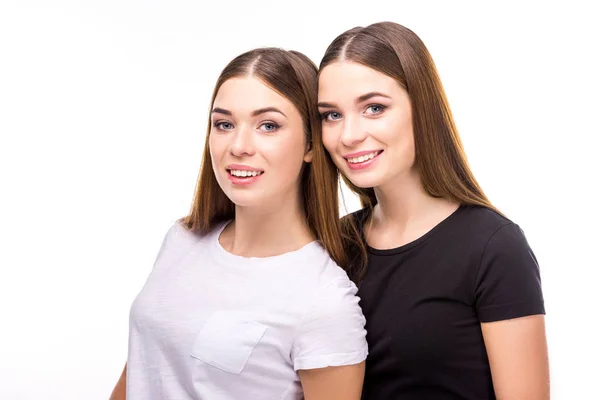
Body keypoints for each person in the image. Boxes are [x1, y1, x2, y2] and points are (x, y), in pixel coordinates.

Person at [109, 47, 368, 400]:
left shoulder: (324, 300)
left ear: (310, 143)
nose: (239, 145)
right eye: (224, 124)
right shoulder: (182, 239)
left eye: (268, 125)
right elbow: (141, 372)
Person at [317, 22, 549, 400]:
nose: (348, 135)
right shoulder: (334, 244)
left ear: (421, 107)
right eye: (331, 115)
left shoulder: (492, 247)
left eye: (374, 108)